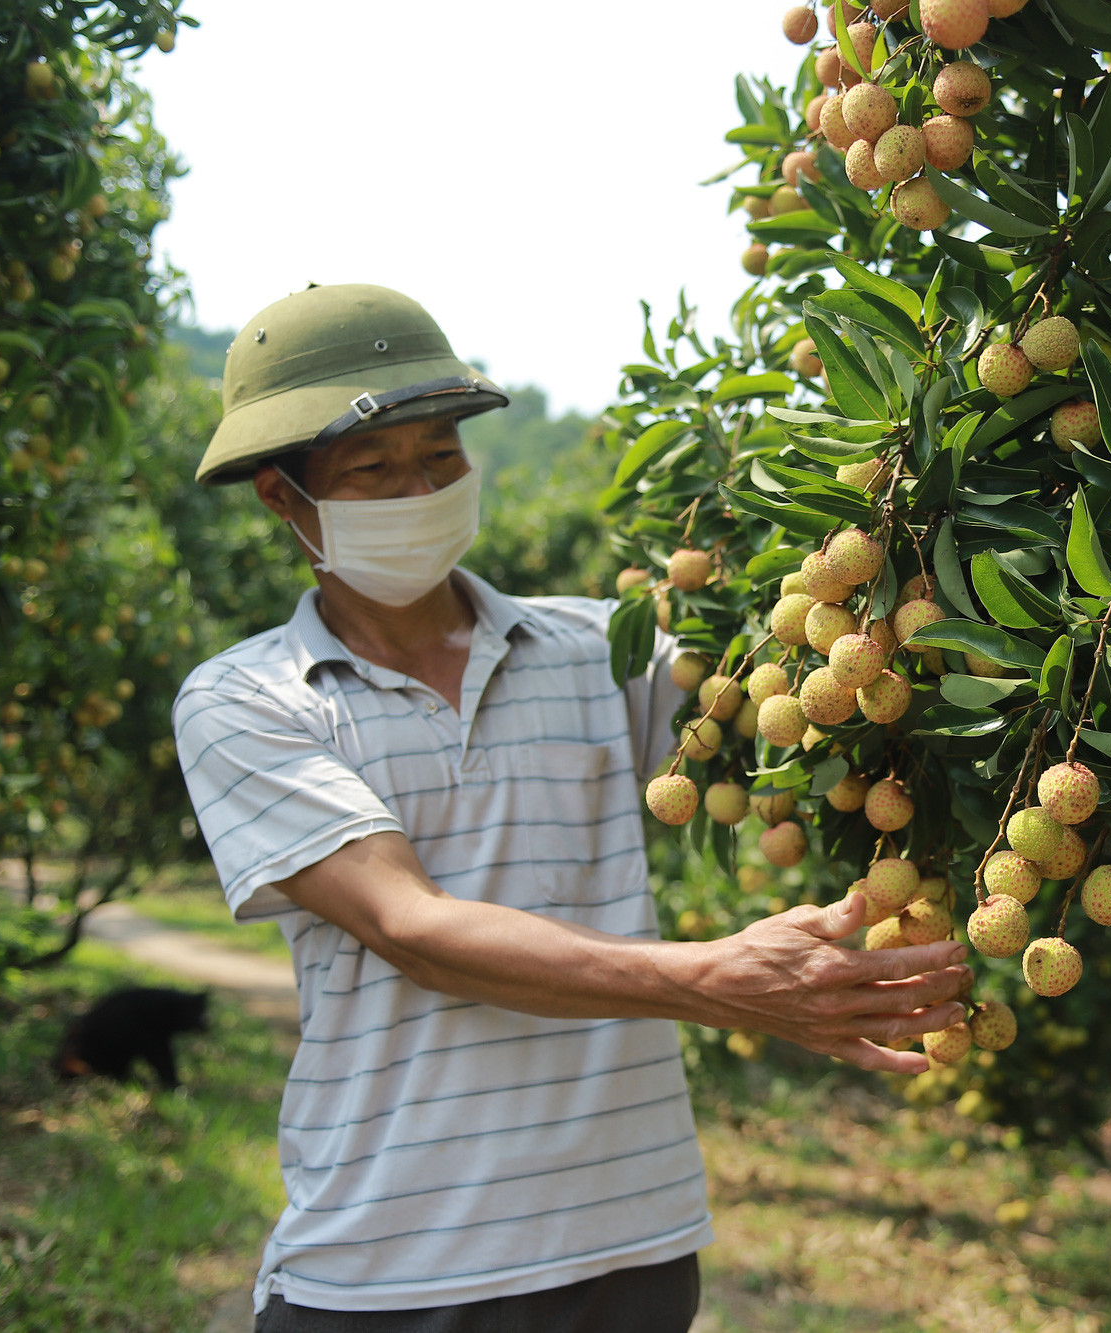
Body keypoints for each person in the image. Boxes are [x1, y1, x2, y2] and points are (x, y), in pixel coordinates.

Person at [171, 283, 972, 1333]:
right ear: (285, 498)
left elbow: (805, 675)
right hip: (389, 1270)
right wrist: (716, 982)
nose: (419, 487)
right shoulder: (248, 699)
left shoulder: (608, 649)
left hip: (626, 1256)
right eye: (373, 470)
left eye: (441, 459)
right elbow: (409, 928)